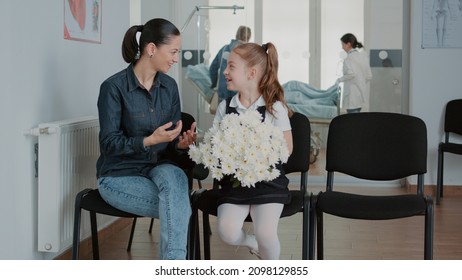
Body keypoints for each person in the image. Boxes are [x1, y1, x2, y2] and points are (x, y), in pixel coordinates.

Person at [96, 18, 196, 260]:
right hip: (119, 175)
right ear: (151, 49)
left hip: (159, 167)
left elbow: (170, 144)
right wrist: (148, 141)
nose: (175, 58)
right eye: (172, 52)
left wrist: (180, 144)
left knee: (177, 180)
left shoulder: (170, 87)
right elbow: (109, 144)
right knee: (179, 205)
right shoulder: (113, 88)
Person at [213, 42, 293, 260]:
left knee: (266, 234)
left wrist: (256, 152)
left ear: (252, 73)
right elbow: (215, 144)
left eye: (231, 67)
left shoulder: (274, 108)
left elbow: (287, 149)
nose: (225, 72)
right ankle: (251, 243)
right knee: (227, 232)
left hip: (268, 184)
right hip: (234, 184)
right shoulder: (225, 107)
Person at [209, 26, 251, 104]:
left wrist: (213, 85)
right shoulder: (247, 51)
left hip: (223, 92)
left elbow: (212, 69)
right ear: (248, 37)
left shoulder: (224, 49)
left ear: (236, 34)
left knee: (223, 115)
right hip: (240, 95)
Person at [336, 33, 372, 113]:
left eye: (342, 44)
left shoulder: (349, 58)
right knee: (357, 118)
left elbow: (351, 74)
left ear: (348, 44)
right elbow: (369, 76)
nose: (342, 47)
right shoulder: (363, 56)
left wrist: (339, 79)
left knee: (352, 121)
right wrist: (360, 82)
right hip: (361, 95)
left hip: (352, 96)